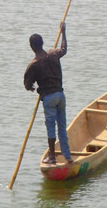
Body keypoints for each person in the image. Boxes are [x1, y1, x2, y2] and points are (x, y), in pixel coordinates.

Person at [24, 22, 72, 165]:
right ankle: (68, 156)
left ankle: (52, 158)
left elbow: (27, 84)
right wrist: (63, 32)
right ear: (42, 43)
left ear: (32, 47)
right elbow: (63, 49)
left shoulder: (34, 64)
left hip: (49, 98)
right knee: (62, 126)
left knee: (51, 127)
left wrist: (32, 88)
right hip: (60, 96)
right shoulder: (53, 54)